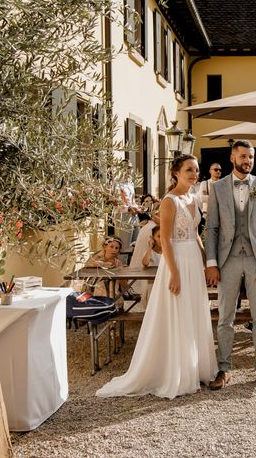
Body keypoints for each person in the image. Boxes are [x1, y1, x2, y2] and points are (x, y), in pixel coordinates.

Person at [96, 154, 217, 399]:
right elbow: (166, 239)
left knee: (194, 310)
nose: (194, 174)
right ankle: (177, 372)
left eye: (195, 170)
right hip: (177, 261)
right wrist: (173, 272)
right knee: (178, 311)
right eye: (188, 170)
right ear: (176, 173)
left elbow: (196, 235)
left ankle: (197, 367)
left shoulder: (193, 197)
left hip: (193, 257)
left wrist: (206, 264)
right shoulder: (169, 201)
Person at [205, 140, 256, 390]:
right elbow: (212, 228)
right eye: (243, 156)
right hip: (227, 260)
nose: (248, 161)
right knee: (225, 317)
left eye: (251, 157)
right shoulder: (217, 187)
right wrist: (212, 263)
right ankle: (224, 369)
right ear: (232, 158)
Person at [112, 160, 140, 250]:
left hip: (134, 216)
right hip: (122, 216)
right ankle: (123, 263)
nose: (130, 170)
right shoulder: (116, 184)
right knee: (124, 246)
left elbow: (132, 201)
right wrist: (128, 209)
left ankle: (134, 264)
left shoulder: (130, 183)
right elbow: (116, 202)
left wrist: (138, 208)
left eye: (131, 168)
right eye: (128, 167)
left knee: (136, 244)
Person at [196, 162, 223, 234]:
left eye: (220, 170)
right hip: (206, 216)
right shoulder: (204, 183)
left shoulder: (224, 184)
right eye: (216, 169)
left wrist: (209, 195)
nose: (218, 171)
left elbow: (226, 200)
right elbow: (202, 198)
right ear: (210, 171)